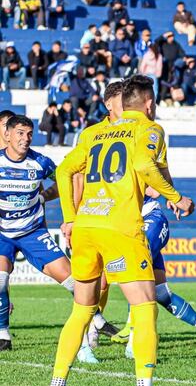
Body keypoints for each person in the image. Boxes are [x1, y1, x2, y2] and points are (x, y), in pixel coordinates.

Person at [46, 75, 194, 386]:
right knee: (144, 307)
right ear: (148, 103)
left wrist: (70, 215)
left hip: (86, 226)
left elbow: (66, 169)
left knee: (82, 310)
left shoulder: (94, 132)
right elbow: (144, 165)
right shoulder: (149, 129)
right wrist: (177, 197)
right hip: (121, 228)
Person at [89, 82, 196, 352]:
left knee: (134, 269)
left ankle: (131, 329)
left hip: (149, 217)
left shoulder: (148, 132)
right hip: (122, 222)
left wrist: (172, 197)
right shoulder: (101, 135)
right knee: (160, 293)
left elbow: (157, 172)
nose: (122, 108)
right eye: (117, 102)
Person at [0, 115, 119, 355]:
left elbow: (66, 179)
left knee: (72, 280)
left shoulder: (40, 163)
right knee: (0, 280)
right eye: (20, 133)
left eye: (29, 134)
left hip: (33, 232)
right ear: (8, 135)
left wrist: (45, 197)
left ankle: (96, 318)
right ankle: (3, 334)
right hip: (2, 234)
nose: (25, 139)